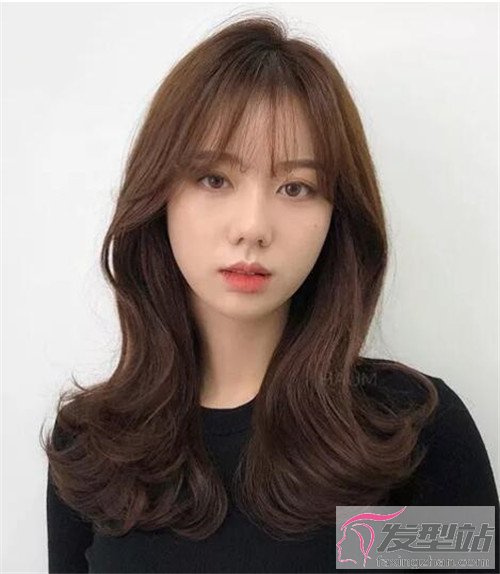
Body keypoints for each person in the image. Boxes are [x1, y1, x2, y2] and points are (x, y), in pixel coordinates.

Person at [42, 13, 499, 574]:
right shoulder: (94, 447)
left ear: (336, 216)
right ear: (159, 195)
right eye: (215, 179)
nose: (253, 226)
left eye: (295, 187)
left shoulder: (406, 435)